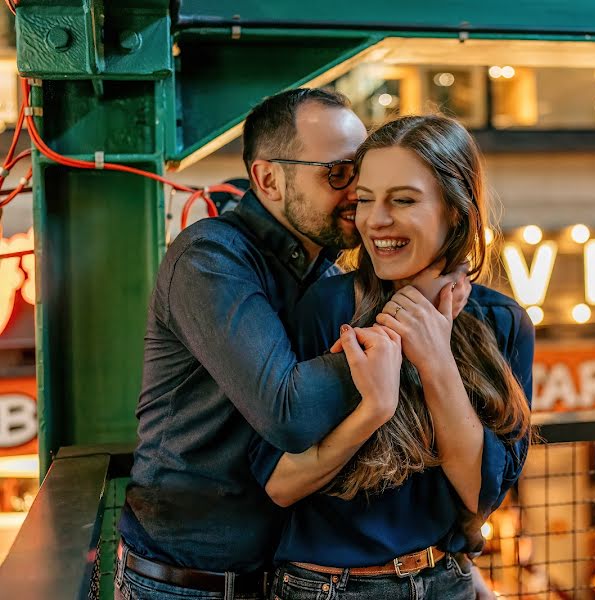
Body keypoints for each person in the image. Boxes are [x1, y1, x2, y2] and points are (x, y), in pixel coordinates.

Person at [115, 89, 470, 600]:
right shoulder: (210, 258)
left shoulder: (327, 272)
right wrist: (413, 313)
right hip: (187, 582)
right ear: (267, 179)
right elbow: (291, 412)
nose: (357, 193)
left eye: (361, 173)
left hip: (285, 576)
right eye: (338, 173)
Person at [249, 114, 535, 600]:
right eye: (364, 200)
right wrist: (375, 400)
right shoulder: (327, 306)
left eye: (402, 200)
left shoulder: (503, 321)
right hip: (329, 586)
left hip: (446, 579)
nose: (375, 220)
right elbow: (278, 482)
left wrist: (436, 358)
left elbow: (480, 494)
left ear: (456, 210)